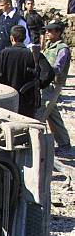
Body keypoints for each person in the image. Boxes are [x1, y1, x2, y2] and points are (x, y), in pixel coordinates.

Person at [0, 25, 37, 116]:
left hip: (6, 101)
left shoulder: (3, 54)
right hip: (27, 101)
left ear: (11, 38)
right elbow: (48, 74)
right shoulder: (33, 54)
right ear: (25, 38)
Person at [38, 22, 72, 155]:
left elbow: (58, 68)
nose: (47, 33)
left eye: (50, 31)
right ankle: (64, 143)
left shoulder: (62, 49)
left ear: (58, 33)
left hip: (53, 85)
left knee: (41, 113)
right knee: (53, 115)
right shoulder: (49, 46)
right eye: (46, 30)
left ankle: (34, 143)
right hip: (46, 84)